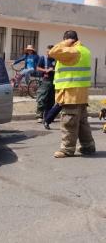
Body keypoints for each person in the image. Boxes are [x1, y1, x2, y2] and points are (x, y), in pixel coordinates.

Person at [49, 30, 96, 158]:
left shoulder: (73, 51)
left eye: (65, 40)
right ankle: (88, 146)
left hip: (71, 93)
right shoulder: (84, 50)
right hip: (81, 93)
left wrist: (66, 42)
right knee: (82, 123)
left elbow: (53, 52)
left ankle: (67, 149)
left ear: (69, 40)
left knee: (68, 121)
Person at [35, 45, 56, 123]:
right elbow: (37, 68)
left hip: (53, 81)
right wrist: (46, 70)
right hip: (45, 81)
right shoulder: (43, 58)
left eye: (50, 52)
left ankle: (48, 116)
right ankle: (39, 115)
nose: (49, 53)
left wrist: (53, 69)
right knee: (42, 98)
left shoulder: (55, 60)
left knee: (51, 100)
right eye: (48, 52)